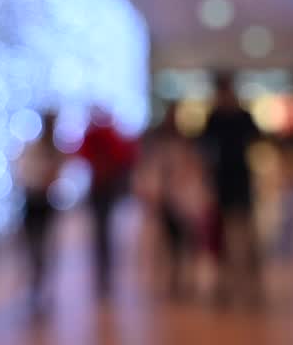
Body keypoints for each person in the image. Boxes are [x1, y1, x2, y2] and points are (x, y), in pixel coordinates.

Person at [199, 72, 263, 305]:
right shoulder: (214, 118)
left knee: (247, 234)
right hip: (222, 183)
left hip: (241, 182)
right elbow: (203, 148)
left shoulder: (243, 117)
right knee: (223, 236)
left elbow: (257, 138)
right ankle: (225, 284)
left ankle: (252, 284)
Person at [134, 103, 209, 298]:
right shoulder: (157, 143)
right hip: (163, 200)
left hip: (180, 200)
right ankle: (169, 279)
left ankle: (182, 278)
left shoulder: (184, 143)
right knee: (166, 242)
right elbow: (148, 170)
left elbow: (193, 168)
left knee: (184, 241)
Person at [77, 108, 137, 299]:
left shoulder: (101, 134)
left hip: (102, 187)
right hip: (102, 187)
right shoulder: (106, 134)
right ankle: (104, 271)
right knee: (103, 229)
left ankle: (104, 271)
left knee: (101, 229)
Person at [18, 112, 63, 312]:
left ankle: (40, 284)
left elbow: (57, 174)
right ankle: (35, 283)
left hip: (45, 202)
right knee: (33, 246)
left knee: (45, 245)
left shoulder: (56, 149)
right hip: (32, 200)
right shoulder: (33, 147)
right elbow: (24, 173)